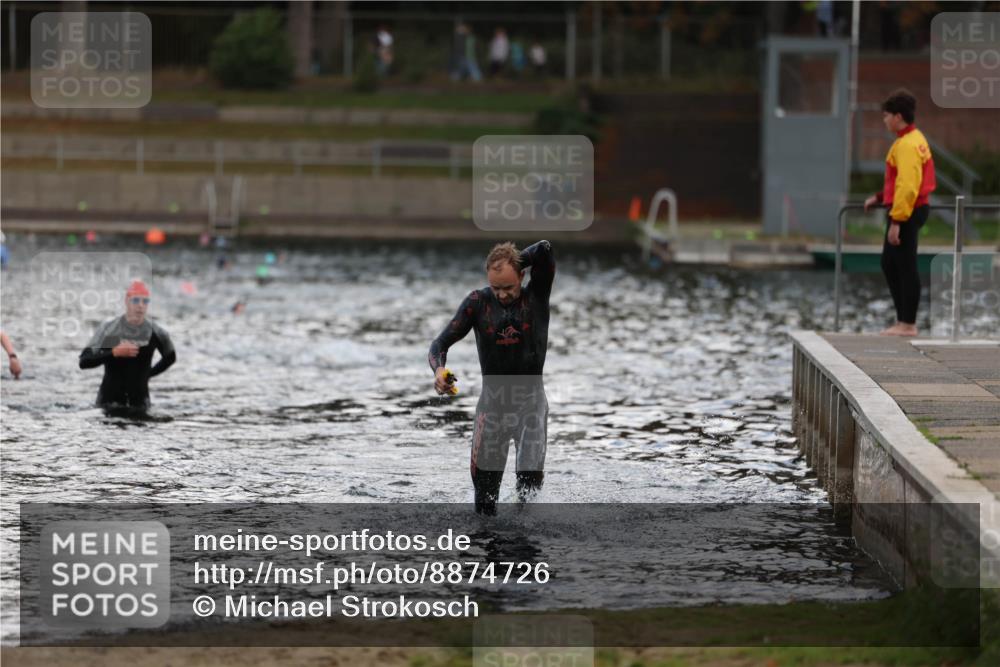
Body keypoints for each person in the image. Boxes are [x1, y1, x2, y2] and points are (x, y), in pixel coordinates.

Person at [429, 241, 555, 515]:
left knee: (528, 491)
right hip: (492, 407)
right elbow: (439, 344)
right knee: (484, 503)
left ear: (522, 275)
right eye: (496, 288)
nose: (502, 295)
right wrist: (439, 371)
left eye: (509, 287)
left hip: (531, 406)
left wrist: (511, 260)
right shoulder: (478, 303)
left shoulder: (536, 296)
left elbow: (544, 250)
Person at [864, 90, 936, 337]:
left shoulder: (906, 145)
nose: (884, 120)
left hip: (908, 211)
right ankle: (903, 321)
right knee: (890, 263)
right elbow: (902, 181)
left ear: (897, 116)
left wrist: (896, 221)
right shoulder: (914, 138)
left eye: (886, 116)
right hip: (910, 208)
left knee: (905, 266)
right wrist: (879, 197)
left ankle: (908, 324)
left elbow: (908, 186)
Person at [79, 280, 176, 410]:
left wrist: (148, 374)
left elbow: (170, 357)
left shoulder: (157, 332)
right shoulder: (109, 329)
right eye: (136, 300)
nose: (140, 305)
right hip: (108, 404)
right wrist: (114, 353)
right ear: (127, 301)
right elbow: (84, 361)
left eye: (145, 301)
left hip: (140, 406)